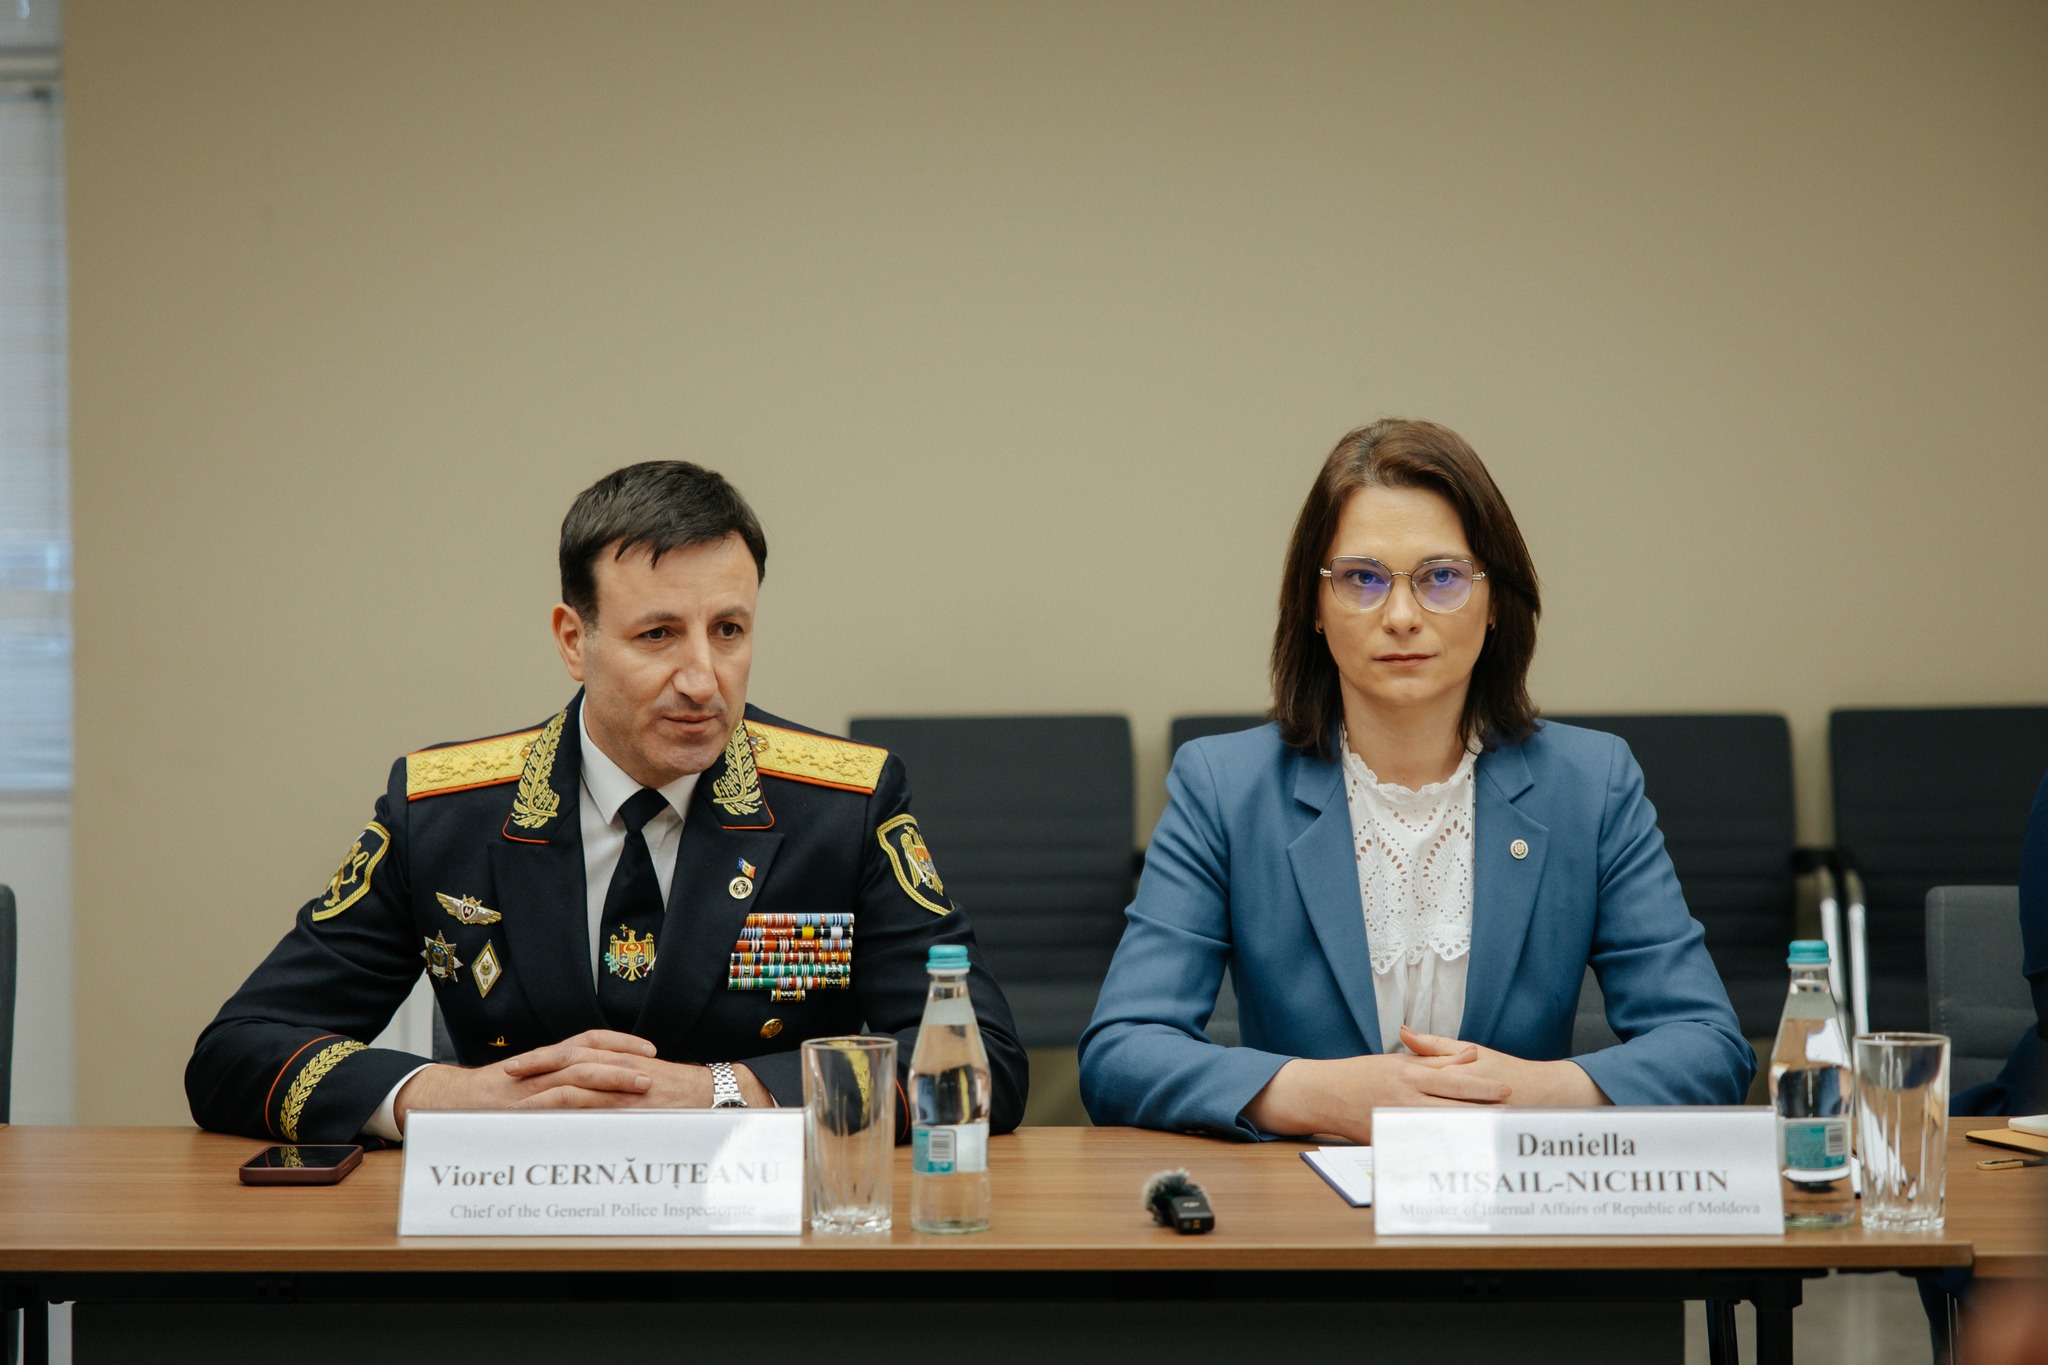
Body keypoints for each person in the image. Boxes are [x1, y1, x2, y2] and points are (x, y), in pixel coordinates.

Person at [187, 461, 1027, 1143]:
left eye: (729, 631)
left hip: (766, 1250)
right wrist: (446, 1095)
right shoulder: (445, 810)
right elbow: (238, 1050)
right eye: (658, 634)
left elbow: (979, 1061)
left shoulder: (842, 805)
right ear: (573, 640)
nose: (702, 679)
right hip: (519, 1244)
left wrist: (721, 1090)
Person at [1079, 419, 1753, 1141]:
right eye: (1362, 579)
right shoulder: (1224, 787)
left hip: (1517, 1198)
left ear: (1495, 603)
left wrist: (1534, 1092)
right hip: (1304, 1201)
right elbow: (1122, 1051)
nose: (1401, 616)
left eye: (1442, 577)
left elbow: (1708, 1046)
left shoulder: (1590, 785)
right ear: (1314, 606)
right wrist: (1321, 1094)